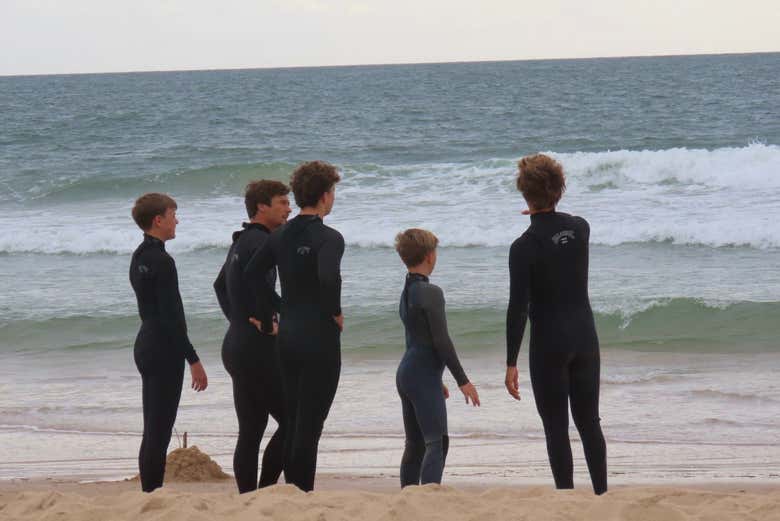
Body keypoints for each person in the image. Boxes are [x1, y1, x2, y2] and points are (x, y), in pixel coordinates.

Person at [504, 154, 607, 495]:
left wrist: (510, 361)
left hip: (549, 343)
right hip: (585, 337)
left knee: (556, 428)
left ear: (524, 195)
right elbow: (560, 238)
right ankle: (601, 496)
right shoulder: (581, 228)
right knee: (590, 422)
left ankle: (567, 499)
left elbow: (518, 308)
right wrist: (543, 211)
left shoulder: (523, 247)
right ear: (559, 190)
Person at [244, 161, 344, 492]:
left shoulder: (281, 235)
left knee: (295, 418)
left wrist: (279, 307)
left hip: (287, 337)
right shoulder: (330, 237)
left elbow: (251, 275)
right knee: (310, 424)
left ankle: (289, 494)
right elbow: (328, 277)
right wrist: (335, 311)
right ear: (326, 195)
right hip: (319, 337)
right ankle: (302, 494)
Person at [214, 180, 291, 492]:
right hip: (256, 349)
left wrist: (239, 320)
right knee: (294, 420)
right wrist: (276, 314)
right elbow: (255, 279)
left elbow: (220, 285)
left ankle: (248, 497)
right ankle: (267, 489)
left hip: (237, 344)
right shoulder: (261, 241)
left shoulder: (243, 239)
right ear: (262, 206)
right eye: (283, 202)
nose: (289, 209)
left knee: (252, 429)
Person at [129, 193, 208, 493]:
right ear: (158, 220)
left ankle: (149, 492)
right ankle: (153, 495)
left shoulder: (139, 256)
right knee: (159, 430)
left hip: (146, 344)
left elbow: (153, 312)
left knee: (153, 427)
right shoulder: (163, 260)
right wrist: (194, 359)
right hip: (163, 348)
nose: (178, 220)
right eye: (174, 214)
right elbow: (172, 317)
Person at [394, 228, 480, 487]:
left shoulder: (407, 289)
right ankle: (428, 502)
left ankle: (407, 498)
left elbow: (417, 336)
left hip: (410, 372)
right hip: (420, 374)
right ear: (430, 256)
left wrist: (434, 377)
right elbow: (441, 340)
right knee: (437, 442)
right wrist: (462, 380)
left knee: (416, 443)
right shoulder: (431, 292)